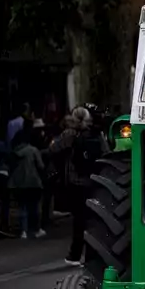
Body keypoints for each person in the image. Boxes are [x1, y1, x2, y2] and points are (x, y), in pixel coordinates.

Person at [50, 107, 109, 265]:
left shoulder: (70, 134)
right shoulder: (97, 134)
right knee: (94, 219)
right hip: (95, 181)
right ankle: (92, 254)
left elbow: (54, 149)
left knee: (79, 220)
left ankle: (75, 255)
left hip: (75, 182)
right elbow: (106, 154)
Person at [9, 130, 46, 238]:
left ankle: (23, 231)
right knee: (35, 206)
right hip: (33, 181)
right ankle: (37, 229)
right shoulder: (33, 150)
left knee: (22, 206)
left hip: (18, 183)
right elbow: (41, 166)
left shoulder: (14, 151)